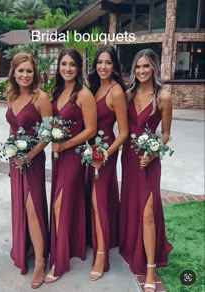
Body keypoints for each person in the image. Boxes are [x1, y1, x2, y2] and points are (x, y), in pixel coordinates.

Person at [119, 49, 173, 292]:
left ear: (154, 68)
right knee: (133, 205)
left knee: (148, 212)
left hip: (150, 161)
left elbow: (166, 135)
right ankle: (132, 246)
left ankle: (151, 267)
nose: (141, 71)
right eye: (137, 67)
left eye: (146, 67)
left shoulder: (163, 96)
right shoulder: (129, 94)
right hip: (129, 158)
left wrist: (152, 154)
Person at [44, 48, 97, 283]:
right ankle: (67, 244)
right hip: (57, 156)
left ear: (79, 68)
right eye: (63, 64)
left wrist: (65, 145)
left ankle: (59, 260)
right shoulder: (54, 91)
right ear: (59, 66)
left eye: (72, 65)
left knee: (59, 205)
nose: (67, 69)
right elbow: (47, 120)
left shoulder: (84, 94)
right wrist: (50, 133)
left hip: (74, 155)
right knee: (63, 202)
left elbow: (91, 130)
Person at [6, 52, 52, 289]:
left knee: (32, 208)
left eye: (29, 71)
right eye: (20, 70)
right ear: (13, 72)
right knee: (21, 207)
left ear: (34, 74)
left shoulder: (40, 98)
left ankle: (41, 261)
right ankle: (31, 245)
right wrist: (11, 155)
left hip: (33, 160)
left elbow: (47, 133)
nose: (25, 75)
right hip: (16, 161)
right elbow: (12, 130)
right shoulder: (11, 95)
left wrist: (30, 155)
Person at [87, 46, 128, 280]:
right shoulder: (92, 87)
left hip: (106, 151)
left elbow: (123, 133)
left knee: (98, 201)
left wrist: (105, 156)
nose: (103, 67)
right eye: (100, 62)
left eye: (108, 62)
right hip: (88, 150)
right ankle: (95, 240)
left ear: (114, 66)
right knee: (92, 199)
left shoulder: (116, 92)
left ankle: (102, 255)